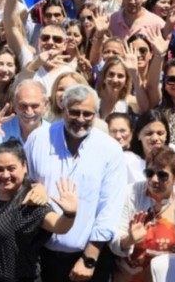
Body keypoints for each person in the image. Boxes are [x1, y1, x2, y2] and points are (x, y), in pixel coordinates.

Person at [24, 84, 127, 282]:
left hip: (87, 259)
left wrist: (89, 259)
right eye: (74, 112)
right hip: (41, 257)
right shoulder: (38, 139)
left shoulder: (110, 150)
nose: (81, 119)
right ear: (63, 109)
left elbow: (109, 208)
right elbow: (26, 186)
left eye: (87, 114)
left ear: (96, 114)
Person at [0, 139, 79, 282]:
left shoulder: (31, 200)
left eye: (11, 168)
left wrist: (69, 213)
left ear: (24, 167)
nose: (5, 175)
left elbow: (58, 226)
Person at [110, 147, 175, 281]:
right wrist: (130, 240)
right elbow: (114, 237)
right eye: (149, 173)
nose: (154, 179)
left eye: (162, 175)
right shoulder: (129, 193)